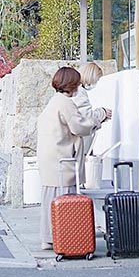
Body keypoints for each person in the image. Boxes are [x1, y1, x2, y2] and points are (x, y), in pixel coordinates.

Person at [36, 66, 111, 250]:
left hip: (49, 157)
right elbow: (80, 126)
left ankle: (48, 238)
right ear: (72, 84)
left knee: (50, 199)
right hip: (62, 158)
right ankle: (63, 238)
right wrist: (100, 116)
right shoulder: (66, 103)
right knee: (65, 196)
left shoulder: (54, 101)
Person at [76, 62, 112, 157]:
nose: (95, 83)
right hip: (79, 146)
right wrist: (103, 113)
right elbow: (87, 117)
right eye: (96, 80)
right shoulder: (79, 92)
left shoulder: (76, 91)